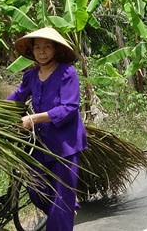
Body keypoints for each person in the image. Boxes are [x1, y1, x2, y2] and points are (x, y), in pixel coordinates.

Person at [7, 27, 87, 231]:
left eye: (47, 47)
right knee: (36, 189)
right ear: (32, 51)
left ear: (56, 50)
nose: (41, 51)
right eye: (37, 47)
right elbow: (16, 98)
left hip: (65, 145)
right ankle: (67, 207)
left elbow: (69, 107)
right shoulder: (31, 76)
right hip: (42, 144)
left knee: (61, 203)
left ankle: (64, 210)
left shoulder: (67, 73)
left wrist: (34, 118)